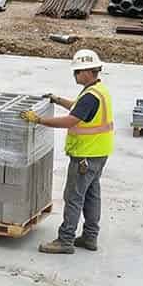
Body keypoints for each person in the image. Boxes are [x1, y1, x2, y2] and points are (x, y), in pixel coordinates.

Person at [20, 49, 113, 254]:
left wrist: (39, 120)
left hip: (85, 156)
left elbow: (72, 120)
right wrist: (58, 99)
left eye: (77, 72)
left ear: (88, 71)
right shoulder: (97, 90)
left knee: (73, 197)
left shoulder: (90, 96)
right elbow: (79, 107)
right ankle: (90, 237)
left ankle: (65, 240)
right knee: (91, 195)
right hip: (99, 153)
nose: (75, 75)